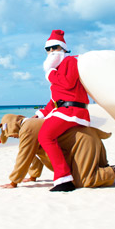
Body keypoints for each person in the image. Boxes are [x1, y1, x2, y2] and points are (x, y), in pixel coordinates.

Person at [0, 114, 115, 189]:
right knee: (97, 170)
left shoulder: (28, 128)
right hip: (88, 138)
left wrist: (13, 182)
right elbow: (33, 154)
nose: (12, 136)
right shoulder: (33, 124)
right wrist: (33, 176)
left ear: (11, 125)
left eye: (8, 132)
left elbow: (23, 155)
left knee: (84, 181)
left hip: (83, 143)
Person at [36, 30, 89, 192]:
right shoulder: (58, 67)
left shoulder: (71, 61)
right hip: (65, 109)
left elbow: (67, 84)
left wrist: (51, 73)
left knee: (44, 136)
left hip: (73, 111)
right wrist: (41, 114)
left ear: (63, 48)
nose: (51, 51)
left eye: (55, 47)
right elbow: (56, 100)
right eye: (48, 49)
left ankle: (63, 178)